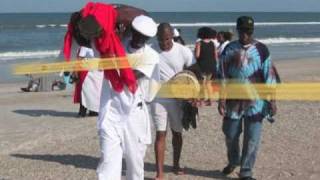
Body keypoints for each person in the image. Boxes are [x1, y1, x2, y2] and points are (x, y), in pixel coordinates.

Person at [96, 13, 160, 180]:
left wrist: (113, 52)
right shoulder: (118, 44)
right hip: (111, 110)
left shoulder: (151, 55)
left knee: (134, 163)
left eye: (144, 37)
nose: (140, 39)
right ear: (132, 31)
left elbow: (128, 77)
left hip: (134, 113)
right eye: (137, 34)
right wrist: (112, 40)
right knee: (108, 160)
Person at [218, 16, 278, 180]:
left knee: (252, 139)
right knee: (230, 134)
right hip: (233, 102)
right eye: (242, 31)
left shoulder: (262, 50)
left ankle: (246, 171)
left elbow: (269, 76)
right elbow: (222, 75)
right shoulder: (229, 49)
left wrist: (272, 100)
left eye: (248, 31)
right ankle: (233, 161)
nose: (245, 34)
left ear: (252, 31)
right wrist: (221, 99)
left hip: (256, 102)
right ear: (237, 30)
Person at [151, 23, 195, 179]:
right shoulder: (151, 51)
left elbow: (193, 72)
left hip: (178, 100)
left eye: (167, 39)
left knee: (177, 133)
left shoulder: (183, 51)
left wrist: (193, 95)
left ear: (172, 36)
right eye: (160, 40)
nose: (164, 43)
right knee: (160, 134)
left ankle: (176, 165)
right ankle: (159, 173)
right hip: (158, 98)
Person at [62, 11, 103, 117]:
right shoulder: (91, 45)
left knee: (90, 92)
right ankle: (87, 110)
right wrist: (76, 71)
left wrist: (75, 71)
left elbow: (80, 59)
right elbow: (80, 58)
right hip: (90, 71)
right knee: (88, 91)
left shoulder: (89, 45)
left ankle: (89, 111)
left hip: (92, 71)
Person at [194, 27, 218, 105]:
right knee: (208, 83)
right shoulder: (212, 43)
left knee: (202, 83)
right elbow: (215, 56)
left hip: (202, 65)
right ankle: (210, 100)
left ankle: (202, 99)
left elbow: (197, 55)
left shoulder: (199, 43)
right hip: (211, 65)